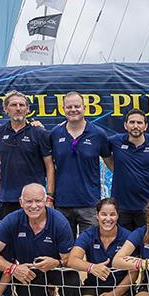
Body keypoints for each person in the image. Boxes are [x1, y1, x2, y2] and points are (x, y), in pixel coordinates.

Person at [67, 198, 135, 296]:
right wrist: (91, 267)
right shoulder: (89, 235)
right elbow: (72, 260)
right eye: (104, 214)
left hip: (119, 286)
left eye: (112, 214)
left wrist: (114, 294)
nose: (108, 219)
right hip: (95, 285)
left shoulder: (128, 236)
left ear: (118, 216)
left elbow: (134, 273)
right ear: (97, 215)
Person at [50, 91, 112, 235]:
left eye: (77, 106)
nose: (73, 110)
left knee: (91, 250)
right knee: (65, 251)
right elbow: (49, 166)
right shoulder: (55, 133)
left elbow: (111, 164)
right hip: (62, 204)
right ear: (63, 109)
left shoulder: (98, 134)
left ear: (84, 108)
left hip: (89, 204)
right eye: (69, 107)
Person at [0, 91, 54, 223]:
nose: (18, 108)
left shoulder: (40, 132)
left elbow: (50, 166)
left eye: (22, 105)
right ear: (6, 109)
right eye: (13, 105)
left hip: (33, 200)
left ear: (27, 109)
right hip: (6, 198)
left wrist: (49, 196)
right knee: (5, 240)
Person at [106, 108, 149, 230]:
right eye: (132, 122)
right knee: (122, 247)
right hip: (121, 208)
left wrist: (147, 170)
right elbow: (105, 155)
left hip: (146, 208)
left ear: (145, 126)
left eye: (139, 123)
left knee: (146, 245)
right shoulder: (115, 141)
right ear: (125, 125)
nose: (135, 126)